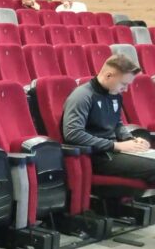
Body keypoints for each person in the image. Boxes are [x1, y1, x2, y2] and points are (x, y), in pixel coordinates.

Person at [63, 54, 155, 184]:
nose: (126, 89)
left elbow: (116, 124)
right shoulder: (82, 96)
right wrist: (115, 145)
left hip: (114, 151)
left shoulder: (115, 93)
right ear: (108, 76)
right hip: (97, 156)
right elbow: (73, 134)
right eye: (124, 84)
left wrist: (130, 140)